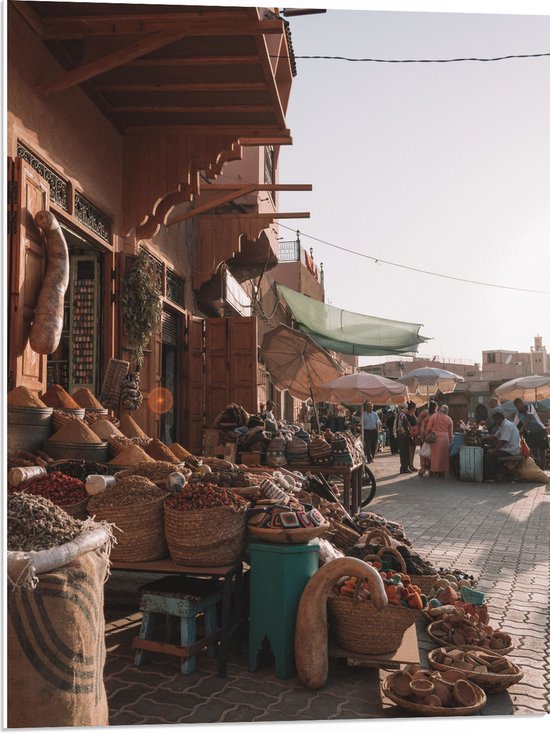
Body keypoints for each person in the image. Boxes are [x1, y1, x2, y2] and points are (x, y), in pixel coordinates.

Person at [483, 411, 520, 481]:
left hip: (511, 450)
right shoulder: (502, 425)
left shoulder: (507, 425)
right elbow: (495, 436)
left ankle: (494, 475)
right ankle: (499, 473)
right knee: (489, 450)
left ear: (499, 419)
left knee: (489, 454)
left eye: (495, 420)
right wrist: (484, 437)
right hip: (507, 448)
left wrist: (493, 450)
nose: (495, 422)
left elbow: (503, 441)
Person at [513, 398, 548, 469]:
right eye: (516, 406)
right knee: (530, 450)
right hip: (532, 432)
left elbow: (529, 418)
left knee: (542, 450)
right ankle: (534, 466)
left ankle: (542, 467)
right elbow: (514, 425)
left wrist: (522, 429)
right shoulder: (518, 414)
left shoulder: (530, 407)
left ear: (521, 403)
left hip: (541, 430)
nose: (518, 407)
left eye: (518, 405)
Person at [426, 403, 453, 477]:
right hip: (445, 439)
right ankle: (443, 471)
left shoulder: (434, 416)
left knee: (435, 455)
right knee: (444, 456)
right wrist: (450, 440)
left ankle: (435, 470)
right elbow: (450, 432)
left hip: (435, 438)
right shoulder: (449, 419)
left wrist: (427, 435)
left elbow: (428, 428)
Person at [394, 401, 417, 474]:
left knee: (403, 452)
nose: (407, 409)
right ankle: (405, 467)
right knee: (405, 452)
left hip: (400, 435)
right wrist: (410, 432)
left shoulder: (398, 415)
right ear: (403, 408)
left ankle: (403, 467)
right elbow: (406, 425)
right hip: (404, 436)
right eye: (406, 408)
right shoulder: (403, 415)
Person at [417, 400, 438, 476]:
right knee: (432, 452)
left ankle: (423, 468)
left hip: (424, 434)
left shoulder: (424, 412)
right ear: (436, 407)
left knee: (423, 452)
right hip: (433, 435)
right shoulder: (437, 415)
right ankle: (431, 469)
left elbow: (418, 421)